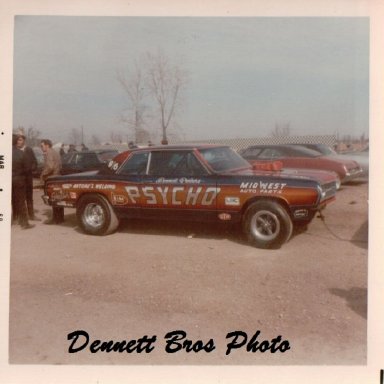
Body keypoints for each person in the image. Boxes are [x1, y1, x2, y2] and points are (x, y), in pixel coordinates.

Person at [15, 134, 40, 220]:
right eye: (17, 140)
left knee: (29, 197)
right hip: (18, 178)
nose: (19, 142)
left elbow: (35, 162)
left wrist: (30, 169)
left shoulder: (28, 150)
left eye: (20, 140)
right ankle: (18, 217)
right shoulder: (14, 150)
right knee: (17, 198)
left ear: (24, 141)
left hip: (28, 177)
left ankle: (31, 215)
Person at [12, 134, 34, 229]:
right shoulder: (21, 154)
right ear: (16, 141)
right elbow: (28, 168)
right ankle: (24, 223)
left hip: (8, 180)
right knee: (21, 201)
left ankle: (14, 219)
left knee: (12, 200)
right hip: (19, 179)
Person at [40, 139, 64, 224]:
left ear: (47, 145)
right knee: (58, 198)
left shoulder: (49, 153)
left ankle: (56, 219)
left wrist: (43, 174)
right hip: (58, 177)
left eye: (42, 146)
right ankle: (60, 218)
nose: (41, 148)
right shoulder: (55, 152)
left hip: (52, 179)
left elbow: (50, 167)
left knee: (53, 198)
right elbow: (60, 165)